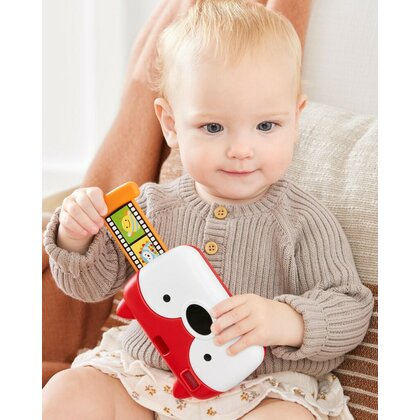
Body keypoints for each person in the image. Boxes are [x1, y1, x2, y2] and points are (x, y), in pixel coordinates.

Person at [43, 1, 373, 419]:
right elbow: (92, 287)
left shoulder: (304, 221)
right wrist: (75, 236)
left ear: (295, 119)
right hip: (147, 377)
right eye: (213, 127)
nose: (241, 149)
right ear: (170, 124)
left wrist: (286, 319)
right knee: (68, 391)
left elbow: (349, 308)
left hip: (260, 391)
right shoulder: (151, 208)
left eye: (266, 126)